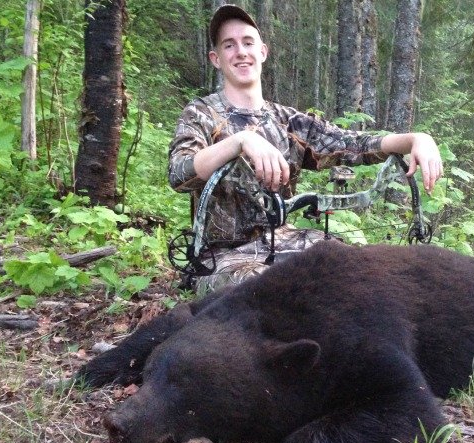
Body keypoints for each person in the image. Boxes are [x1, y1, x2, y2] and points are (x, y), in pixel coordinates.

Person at [169, 4, 443, 292]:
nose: (240, 52)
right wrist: (240, 142)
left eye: (248, 42)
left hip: (284, 241)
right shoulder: (200, 114)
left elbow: (353, 143)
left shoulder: (290, 122)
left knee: (354, 268)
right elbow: (179, 173)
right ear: (216, 58)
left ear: (262, 52)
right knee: (268, 293)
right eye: (229, 45)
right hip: (221, 257)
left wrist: (414, 139)